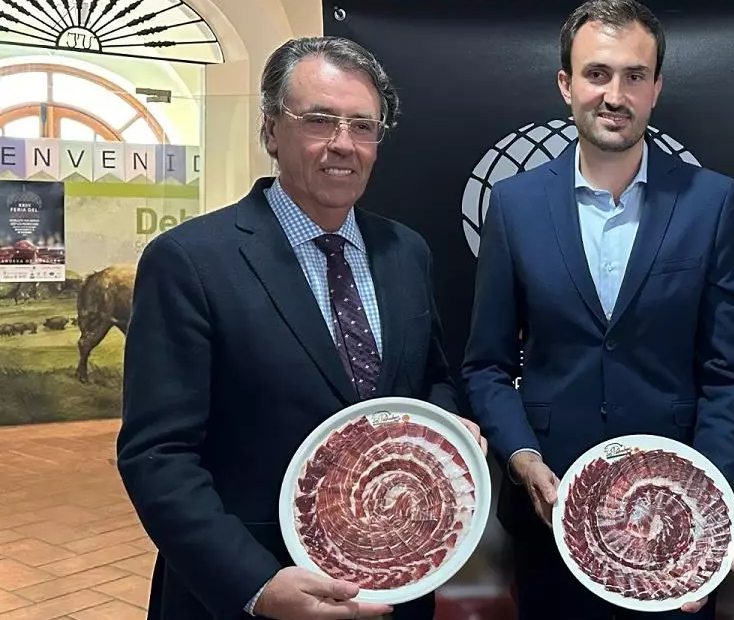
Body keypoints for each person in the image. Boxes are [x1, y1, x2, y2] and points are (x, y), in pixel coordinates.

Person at [116, 36, 485, 620]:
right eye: (319, 120)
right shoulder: (189, 261)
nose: (343, 143)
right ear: (270, 131)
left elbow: (431, 379)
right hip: (254, 592)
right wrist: (256, 585)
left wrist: (447, 427)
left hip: (397, 580)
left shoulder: (405, 251)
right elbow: (158, 455)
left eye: (363, 126)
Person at [461, 0, 734, 620]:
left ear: (656, 89)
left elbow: (727, 376)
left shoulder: (710, 202)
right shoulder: (513, 205)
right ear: (566, 85)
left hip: (675, 518)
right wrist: (521, 457)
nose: (614, 95)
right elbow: (486, 366)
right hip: (549, 511)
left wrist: (713, 511)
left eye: (634, 76)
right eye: (597, 73)